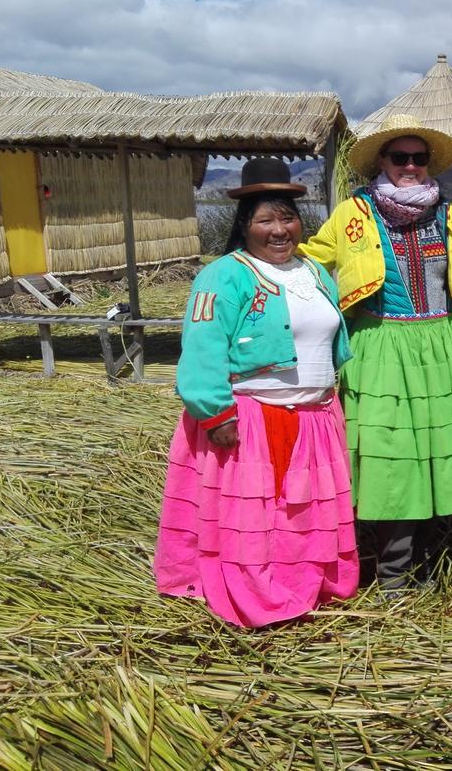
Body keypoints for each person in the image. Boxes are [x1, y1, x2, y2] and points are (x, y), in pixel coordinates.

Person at [154, 157, 359, 627]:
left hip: (314, 417)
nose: (280, 229)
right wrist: (214, 413)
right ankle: (253, 592)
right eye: (266, 219)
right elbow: (202, 347)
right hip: (251, 418)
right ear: (245, 225)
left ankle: (302, 585)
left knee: (302, 512)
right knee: (254, 516)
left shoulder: (313, 272)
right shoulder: (224, 275)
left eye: (287, 216)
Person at [300, 115, 452, 595]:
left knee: (435, 451)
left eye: (419, 159)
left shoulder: (450, 214)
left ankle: (426, 559)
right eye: (400, 157)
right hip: (380, 344)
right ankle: (392, 571)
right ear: (381, 161)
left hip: (441, 345)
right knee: (392, 456)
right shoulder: (352, 214)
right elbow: (310, 261)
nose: (410, 166)